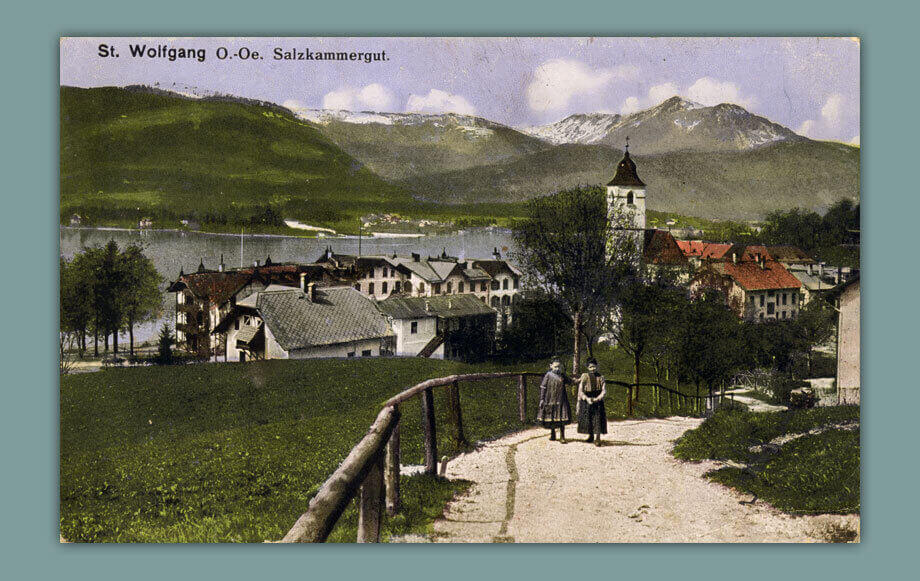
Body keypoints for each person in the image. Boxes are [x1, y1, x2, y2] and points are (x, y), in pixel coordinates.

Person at [536, 357, 572, 442]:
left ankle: (562, 436)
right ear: (551, 366)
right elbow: (543, 387)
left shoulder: (562, 375)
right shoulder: (548, 375)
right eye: (555, 367)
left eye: (559, 367)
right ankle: (553, 434)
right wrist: (542, 399)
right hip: (550, 399)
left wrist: (581, 380)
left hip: (561, 400)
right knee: (552, 418)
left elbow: (570, 381)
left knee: (561, 418)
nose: (557, 369)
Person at [576, 357, 607, 445]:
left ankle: (597, 438)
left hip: (597, 399)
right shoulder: (584, 376)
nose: (592, 369)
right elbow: (580, 390)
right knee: (588, 418)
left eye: (594, 367)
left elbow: (604, 390)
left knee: (597, 418)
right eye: (590, 367)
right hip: (587, 399)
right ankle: (591, 436)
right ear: (587, 368)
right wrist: (586, 398)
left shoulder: (601, 377)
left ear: (596, 366)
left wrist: (598, 398)